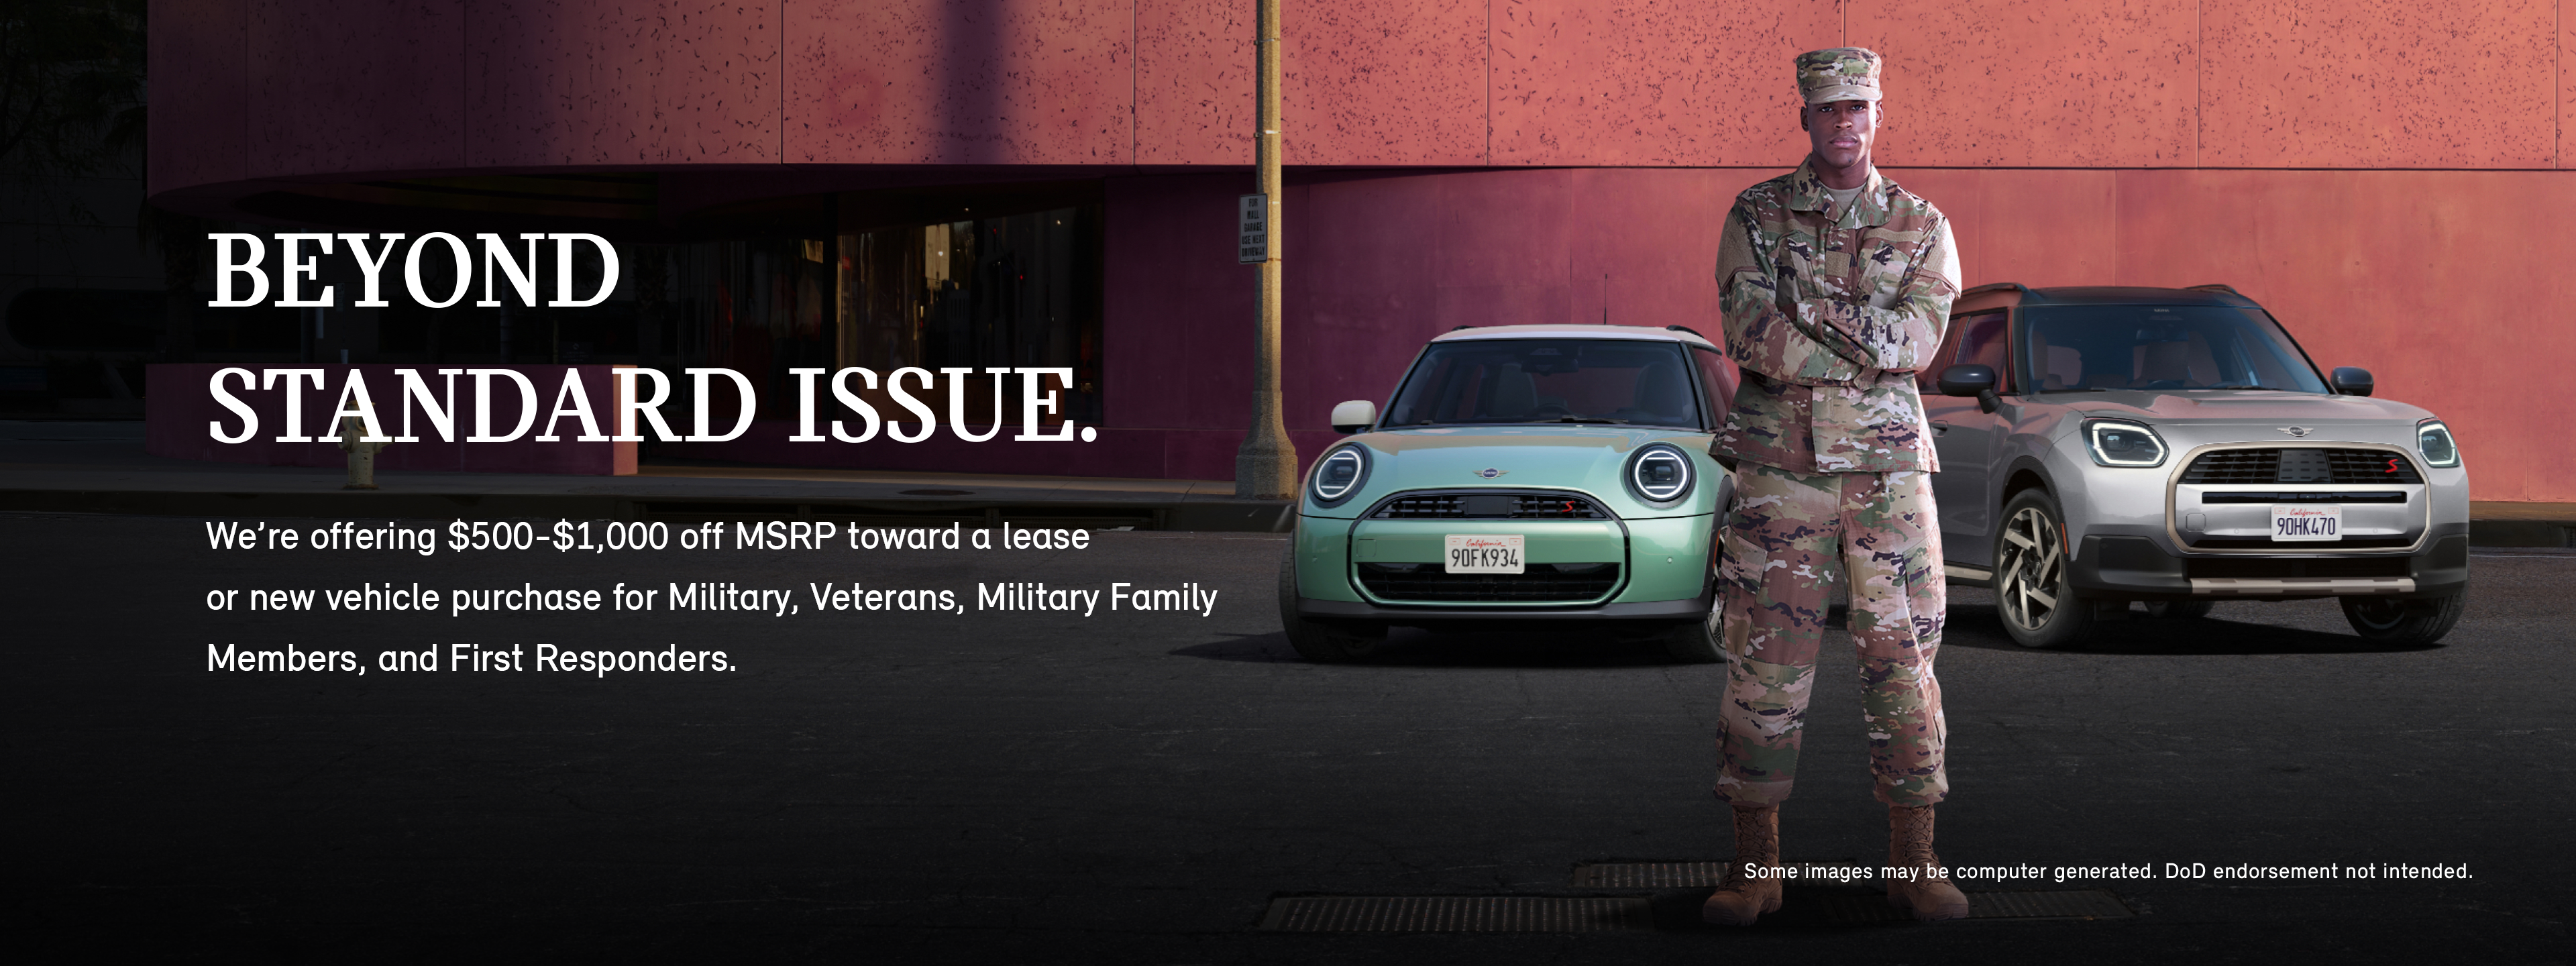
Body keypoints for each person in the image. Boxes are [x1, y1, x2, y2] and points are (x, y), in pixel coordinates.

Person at [1701, 47, 1967, 926]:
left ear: (1877, 111)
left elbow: (1917, 344)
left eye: (1858, 106)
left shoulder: (1924, 223)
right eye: (1828, 109)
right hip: (1782, 474)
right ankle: (1756, 871)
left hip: (1887, 480)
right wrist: (1857, 345)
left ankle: (1914, 863)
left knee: (1903, 663)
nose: (1843, 122)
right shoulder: (1757, 213)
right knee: (1765, 662)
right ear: (1805, 116)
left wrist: (1810, 307)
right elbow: (1750, 332)